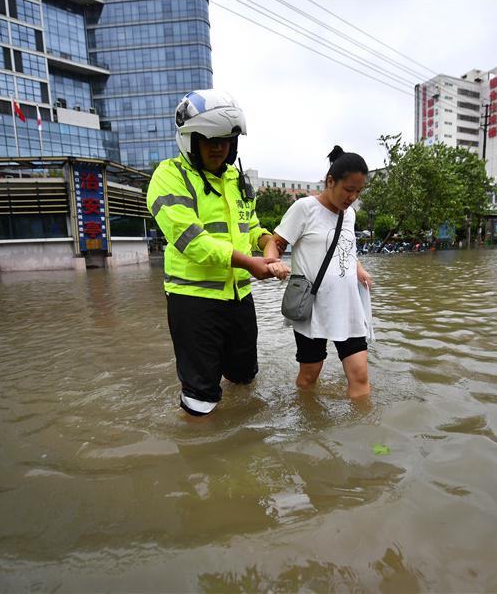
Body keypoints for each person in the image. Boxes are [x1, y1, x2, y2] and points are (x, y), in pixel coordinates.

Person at [147, 89, 281, 416]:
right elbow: (192, 239)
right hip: (193, 300)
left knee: (244, 379)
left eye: (226, 139)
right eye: (209, 139)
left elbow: (249, 226)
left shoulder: (238, 179)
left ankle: (237, 444)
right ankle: (200, 461)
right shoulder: (169, 177)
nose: (219, 147)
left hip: (238, 297)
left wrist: (268, 243)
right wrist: (249, 262)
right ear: (190, 140)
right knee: (201, 396)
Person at [264, 146, 373, 399]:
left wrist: (359, 270)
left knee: (360, 376)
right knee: (309, 376)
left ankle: (365, 433)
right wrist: (272, 261)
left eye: (359, 191)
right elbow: (275, 241)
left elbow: (346, 250)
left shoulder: (350, 215)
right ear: (330, 181)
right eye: (348, 190)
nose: (353, 197)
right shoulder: (305, 208)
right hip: (312, 308)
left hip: (347, 307)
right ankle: (308, 423)